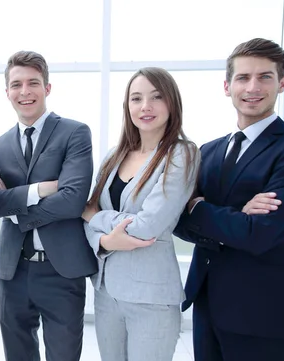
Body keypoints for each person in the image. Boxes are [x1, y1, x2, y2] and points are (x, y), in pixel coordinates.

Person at [174, 38, 284, 361]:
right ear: (227, 86)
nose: (253, 87)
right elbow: (179, 221)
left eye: (265, 77)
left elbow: (261, 233)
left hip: (262, 311)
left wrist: (200, 206)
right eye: (243, 78)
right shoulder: (208, 151)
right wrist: (237, 216)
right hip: (207, 305)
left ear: (282, 82)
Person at [0, 50, 97, 361]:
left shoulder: (75, 133)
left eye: (33, 83)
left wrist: (14, 204)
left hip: (61, 271)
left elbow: (73, 201)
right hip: (13, 270)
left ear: (47, 88)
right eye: (17, 84)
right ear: (7, 91)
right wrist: (39, 190)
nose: (25, 92)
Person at [83, 67, 199, 361]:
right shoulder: (114, 155)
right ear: (128, 107)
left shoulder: (181, 154)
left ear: (171, 103)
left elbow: (148, 225)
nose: (145, 106)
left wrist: (97, 219)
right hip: (106, 291)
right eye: (136, 98)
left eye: (156, 97)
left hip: (152, 298)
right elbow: (84, 216)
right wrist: (106, 241)